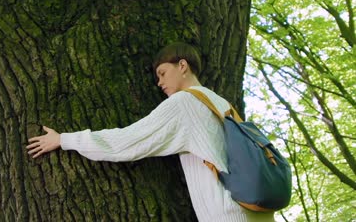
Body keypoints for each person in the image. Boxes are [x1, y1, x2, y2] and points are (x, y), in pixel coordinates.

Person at [26, 42, 275, 222]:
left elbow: (128, 142)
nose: (159, 82)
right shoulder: (222, 104)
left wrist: (64, 139)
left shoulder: (184, 103)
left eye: (163, 73)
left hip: (228, 215)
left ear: (183, 65)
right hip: (259, 212)